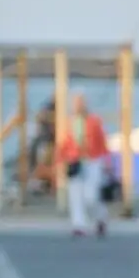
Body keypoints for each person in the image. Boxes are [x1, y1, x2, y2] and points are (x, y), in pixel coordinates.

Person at [56, 93, 109, 237]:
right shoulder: (70, 122)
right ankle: (78, 224)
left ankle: (100, 216)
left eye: (81, 103)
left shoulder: (94, 121)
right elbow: (65, 143)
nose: (78, 106)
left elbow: (102, 142)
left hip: (92, 160)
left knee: (91, 195)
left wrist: (107, 162)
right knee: (75, 193)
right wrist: (60, 160)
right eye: (76, 103)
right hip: (75, 161)